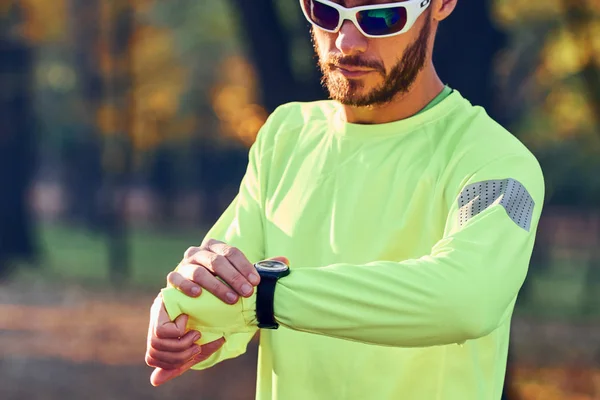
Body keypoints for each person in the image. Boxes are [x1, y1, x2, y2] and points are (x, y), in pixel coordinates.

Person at [145, 0, 545, 398]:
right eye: (325, 12)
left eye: (381, 17)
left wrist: (268, 297)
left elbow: (466, 298)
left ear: (440, 5)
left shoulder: (498, 163)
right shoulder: (286, 135)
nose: (346, 41)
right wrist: (174, 317)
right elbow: (212, 301)